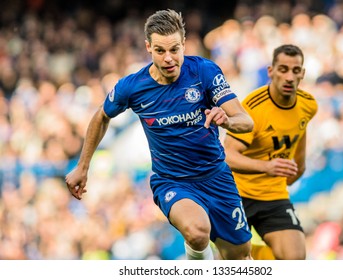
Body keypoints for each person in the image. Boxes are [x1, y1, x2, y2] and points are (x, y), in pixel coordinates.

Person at [65, 9, 254, 260]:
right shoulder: (133, 86)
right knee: (198, 232)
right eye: (160, 51)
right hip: (173, 181)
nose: (168, 58)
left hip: (216, 176)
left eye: (175, 49)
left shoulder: (204, 72)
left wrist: (227, 120)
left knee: (240, 258)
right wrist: (83, 165)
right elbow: (101, 116)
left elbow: (246, 122)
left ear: (184, 45)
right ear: (148, 47)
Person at [224, 44, 318, 260]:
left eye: (295, 71)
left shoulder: (308, 105)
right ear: (271, 71)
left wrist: (298, 168)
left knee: (295, 258)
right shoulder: (254, 107)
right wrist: (267, 167)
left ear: (302, 74)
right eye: (283, 69)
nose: (289, 77)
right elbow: (227, 155)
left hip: (273, 196)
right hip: (237, 195)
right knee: (233, 261)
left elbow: (298, 133)